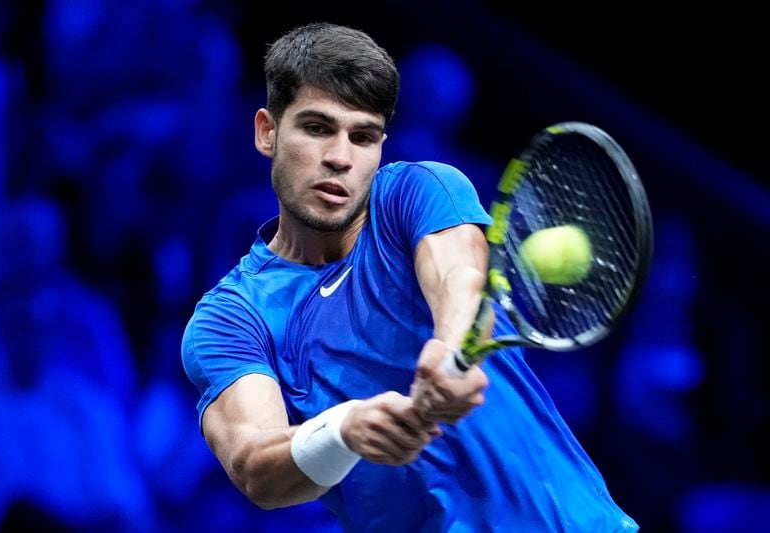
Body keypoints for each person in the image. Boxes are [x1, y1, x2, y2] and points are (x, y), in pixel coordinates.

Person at [181, 22, 638, 531]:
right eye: (316, 128)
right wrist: (344, 432)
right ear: (267, 131)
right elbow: (256, 468)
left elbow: (460, 277)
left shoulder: (416, 192)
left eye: (363, 137)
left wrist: (451, 347)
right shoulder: (231, 319)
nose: (340, 157)